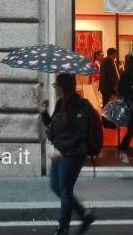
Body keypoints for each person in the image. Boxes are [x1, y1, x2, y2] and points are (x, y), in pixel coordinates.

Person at [39, 73, 96, 235]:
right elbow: (53, 128)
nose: (55, 88)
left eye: (56, 85)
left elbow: (80, 133)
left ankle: (63, 228)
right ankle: (85, 215)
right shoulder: (60, 103)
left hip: (73, 154)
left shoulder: (78, 105)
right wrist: (43, 113)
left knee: (64, 190)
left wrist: (61, 150)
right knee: (56, 186)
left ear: (63, 87)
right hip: (61, 153)